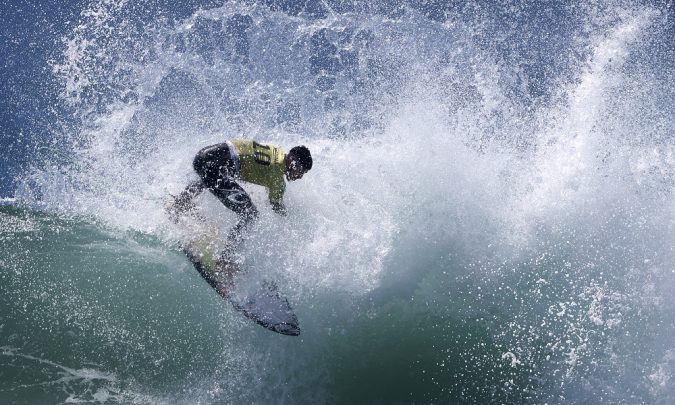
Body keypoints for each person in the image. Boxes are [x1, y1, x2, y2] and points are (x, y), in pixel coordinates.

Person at [167, 139, 312, 253]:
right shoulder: (277, 180)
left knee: (216, 178)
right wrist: (290, 217)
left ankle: (179, 203)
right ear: (293, 159)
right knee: (250, 214)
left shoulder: (277, 151)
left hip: (203, 157)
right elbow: (276, 205)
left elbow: (253, 162)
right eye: (301, 170)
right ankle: (226, 258)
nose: (300, 176)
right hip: (214, 167)